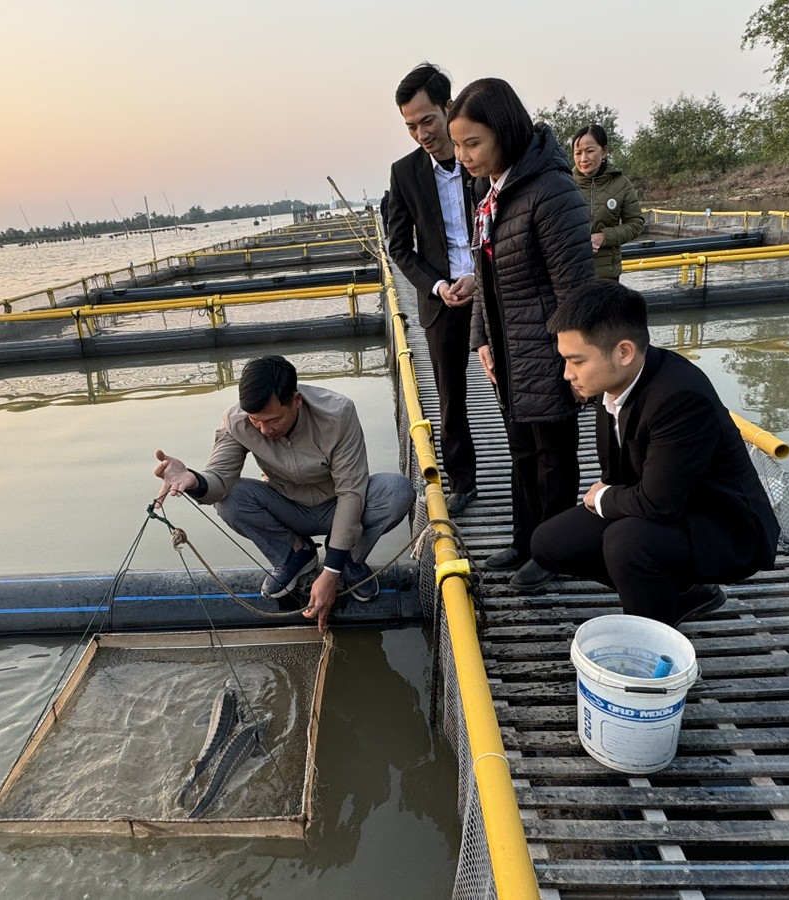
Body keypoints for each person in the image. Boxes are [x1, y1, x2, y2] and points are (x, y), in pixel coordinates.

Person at [527, 279, 780, 625]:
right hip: (665, 506)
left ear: (624, 351)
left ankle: (654, 637)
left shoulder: (679, 397)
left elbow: (658, 504)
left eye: (577, 361)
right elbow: (626, 482)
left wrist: (602, 499)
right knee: (548, 543)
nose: (567, 374)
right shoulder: (613, 382)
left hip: (721, 526)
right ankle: (681, 594)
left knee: (626, 543)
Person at [445, 78, 596, 588]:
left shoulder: (552, 192)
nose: (463, 155)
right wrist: (481, 342)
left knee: (555, 456)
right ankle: (526, 540)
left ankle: (553, 553)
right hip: (509, 353)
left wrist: (572, 361)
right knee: (523, 452)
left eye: (473, 143)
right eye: (459, 144)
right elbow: (486, 280)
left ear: (505, 132)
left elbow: (575, 291)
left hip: (548, 352)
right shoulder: (494, 194)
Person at [153, 355, 415, 632]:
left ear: (297, 401)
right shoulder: (236, 421)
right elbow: (220, 478)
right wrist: (193, 480)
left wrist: (331, 572)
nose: (265, 430)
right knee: (230, 499)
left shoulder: (338, 413)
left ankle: (348, 556)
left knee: (397, 491)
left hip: (339, 504)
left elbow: (351, 492)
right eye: (256, 421)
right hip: (287, 506)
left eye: (273, 420)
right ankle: (295, 553)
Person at [386, 62, 480, 516]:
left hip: (492, 288)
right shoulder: (404, 174)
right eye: (411, 126)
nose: (421, 133)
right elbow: (399, 248)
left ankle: (531, 484)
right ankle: (463, 483)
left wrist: (481, 276)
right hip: (442, 300)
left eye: (427, 120)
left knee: (514, 387)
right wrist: (438, 284)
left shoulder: (480, 157)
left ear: (448, 108)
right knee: (449, 395)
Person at [571, 124, 645, 281]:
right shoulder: (564, 183)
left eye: (590, 151)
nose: (583, 158)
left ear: (604, 151)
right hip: (571, 272)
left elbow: (636, 223)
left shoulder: (621, 183)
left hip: (607, 275)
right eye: (578, 153)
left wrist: (604, 237)